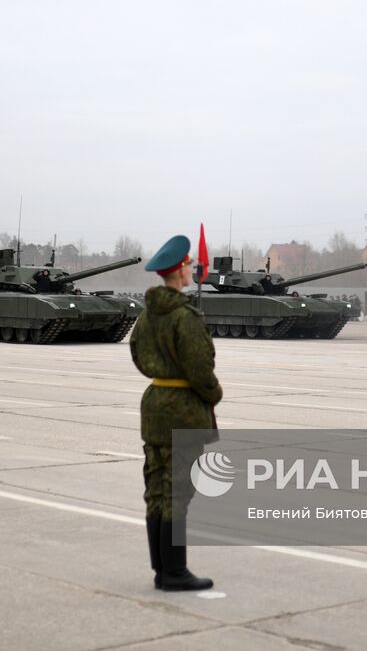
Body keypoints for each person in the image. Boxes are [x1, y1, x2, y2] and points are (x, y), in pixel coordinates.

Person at [129, 234, 222, 592]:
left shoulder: (147, 316)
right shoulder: (184, 317)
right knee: (177, 491)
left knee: (156, 487)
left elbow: (138, 355)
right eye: (189, 266)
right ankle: (175, 572)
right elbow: (200, 368)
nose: (192, 270)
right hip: (183, 409)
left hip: (155, 404)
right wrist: (214, 392)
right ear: (180, 270)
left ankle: (161, 569)